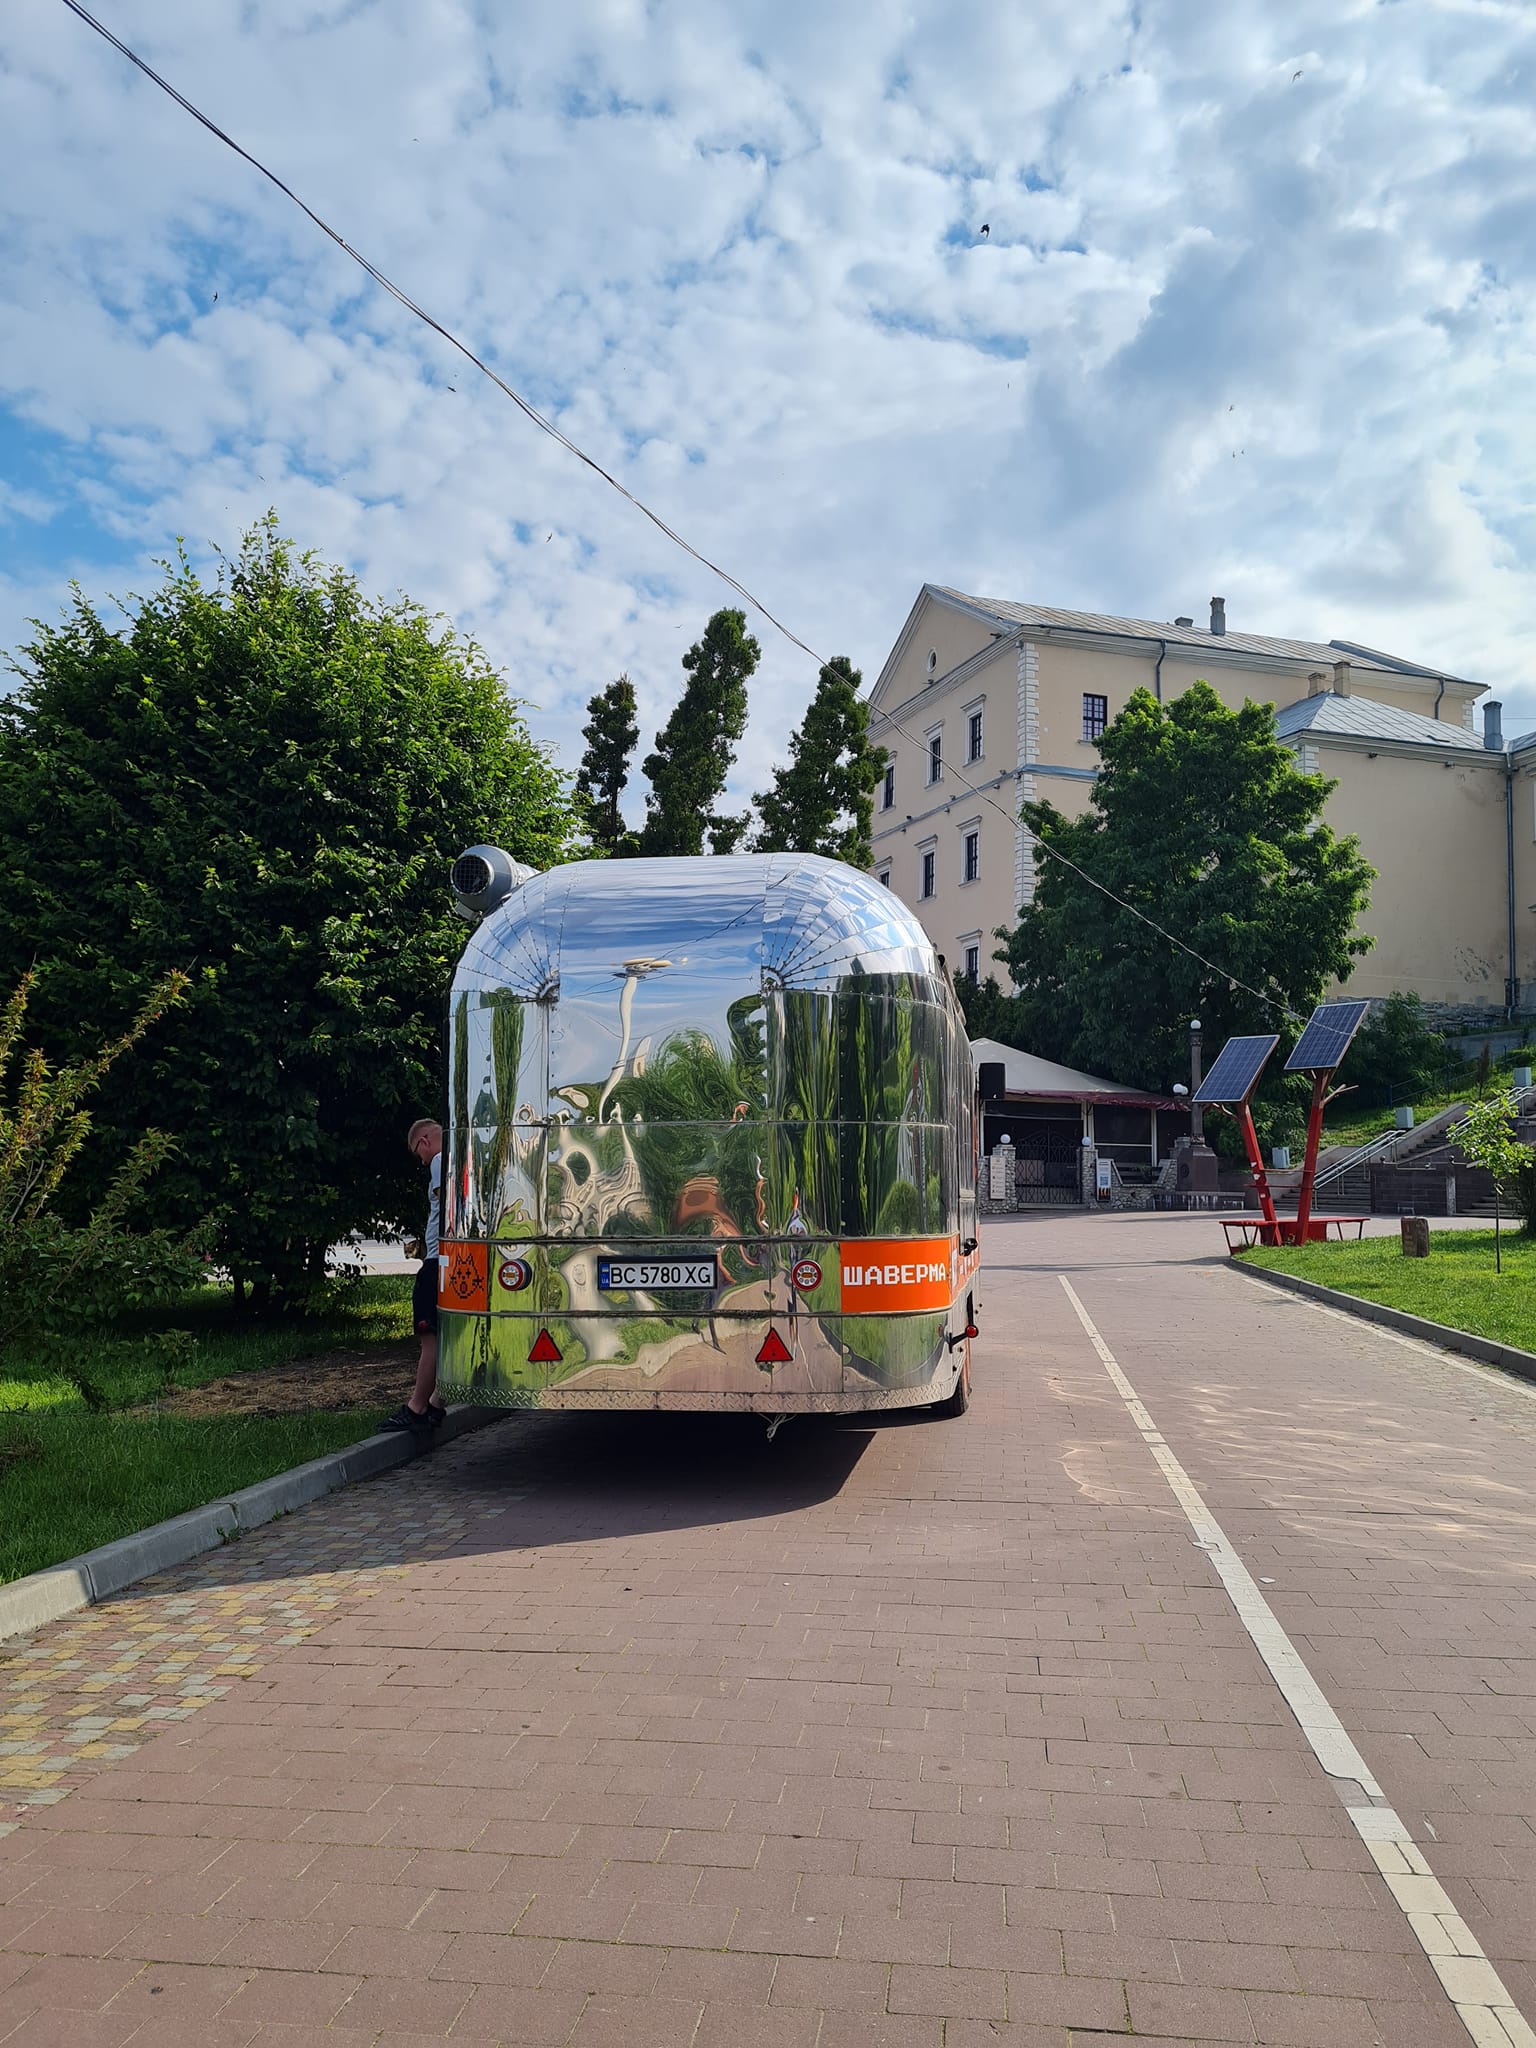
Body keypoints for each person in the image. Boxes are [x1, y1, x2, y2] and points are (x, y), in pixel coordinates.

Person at [384, 1118, 447, 1433]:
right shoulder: (462, 1161)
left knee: (429, 1336)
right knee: (449, 1337)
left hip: (436, 1261)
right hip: (453, 1260)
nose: (421, 1161)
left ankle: (416, 1408)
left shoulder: (439, 1160)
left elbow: (447, 1202)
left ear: (424, 1141)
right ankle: (436, 1402)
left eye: (417, 1153)